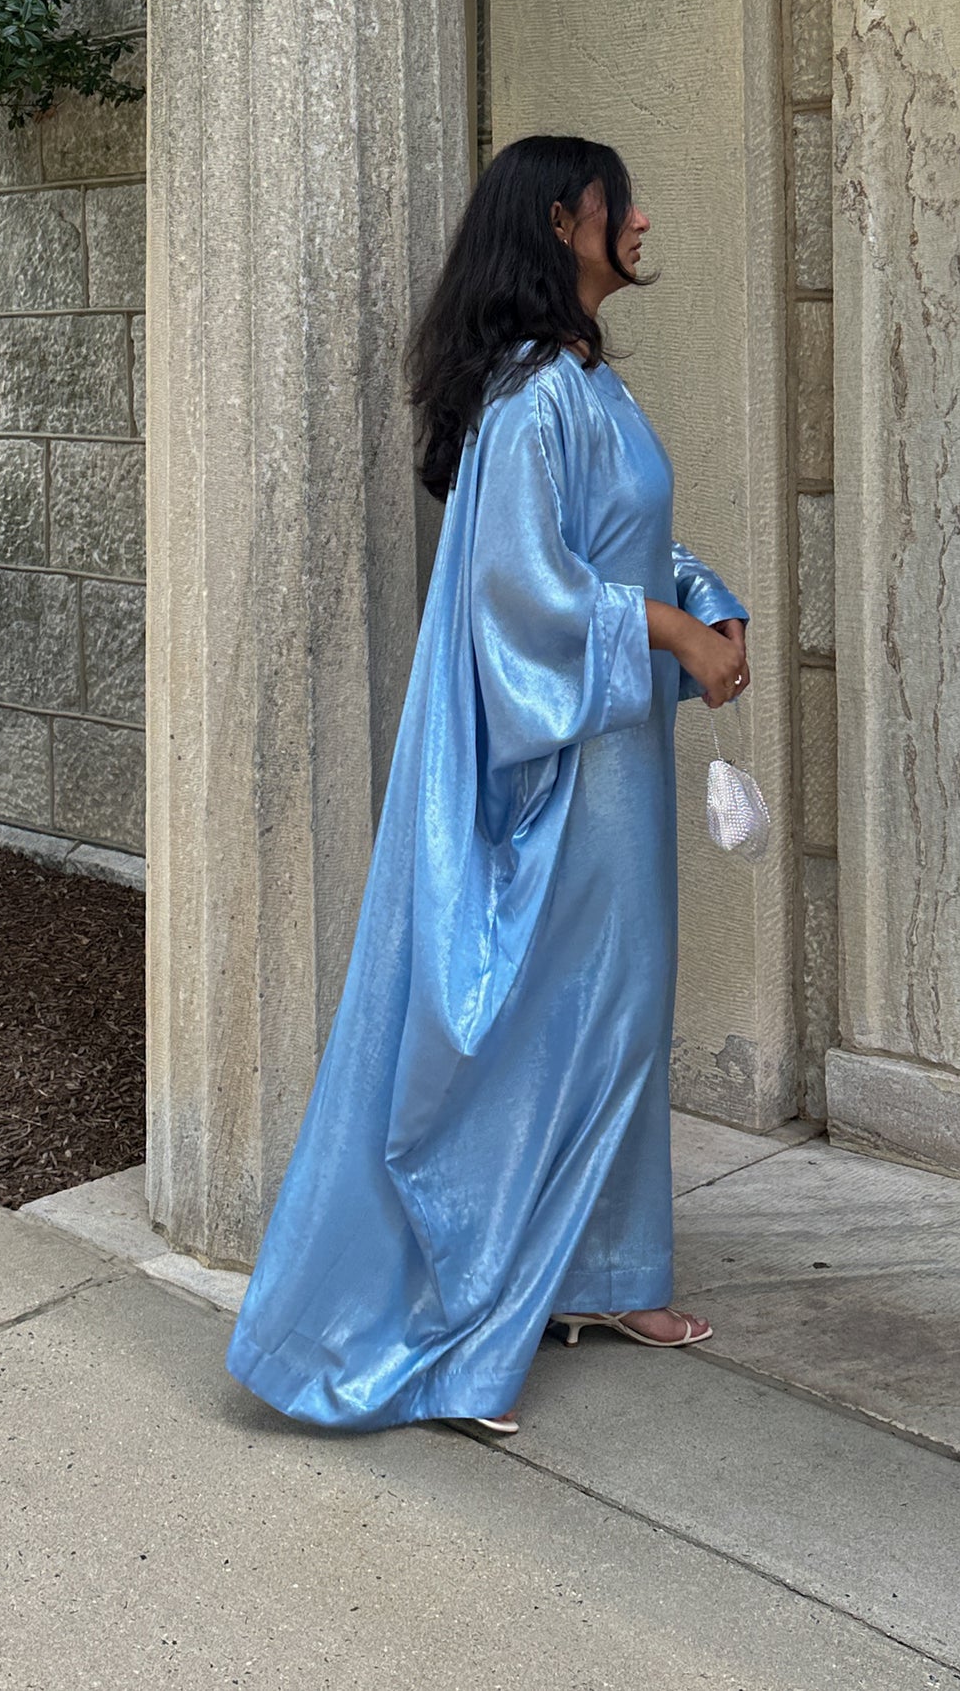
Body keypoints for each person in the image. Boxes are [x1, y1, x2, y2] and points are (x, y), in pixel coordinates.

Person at [225, 134, 749, 1438]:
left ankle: (607, 1272)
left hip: (611, 770)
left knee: (618, 1017)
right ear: (568, 221)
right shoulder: (528, 399)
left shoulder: (589, 388)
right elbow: (523, 597)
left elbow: (626, 543)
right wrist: (671, 639)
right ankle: (452, 1326)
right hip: (561, 782)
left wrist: (700, 602)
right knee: (541, 1028)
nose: (643, 216)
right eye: (622, 199)